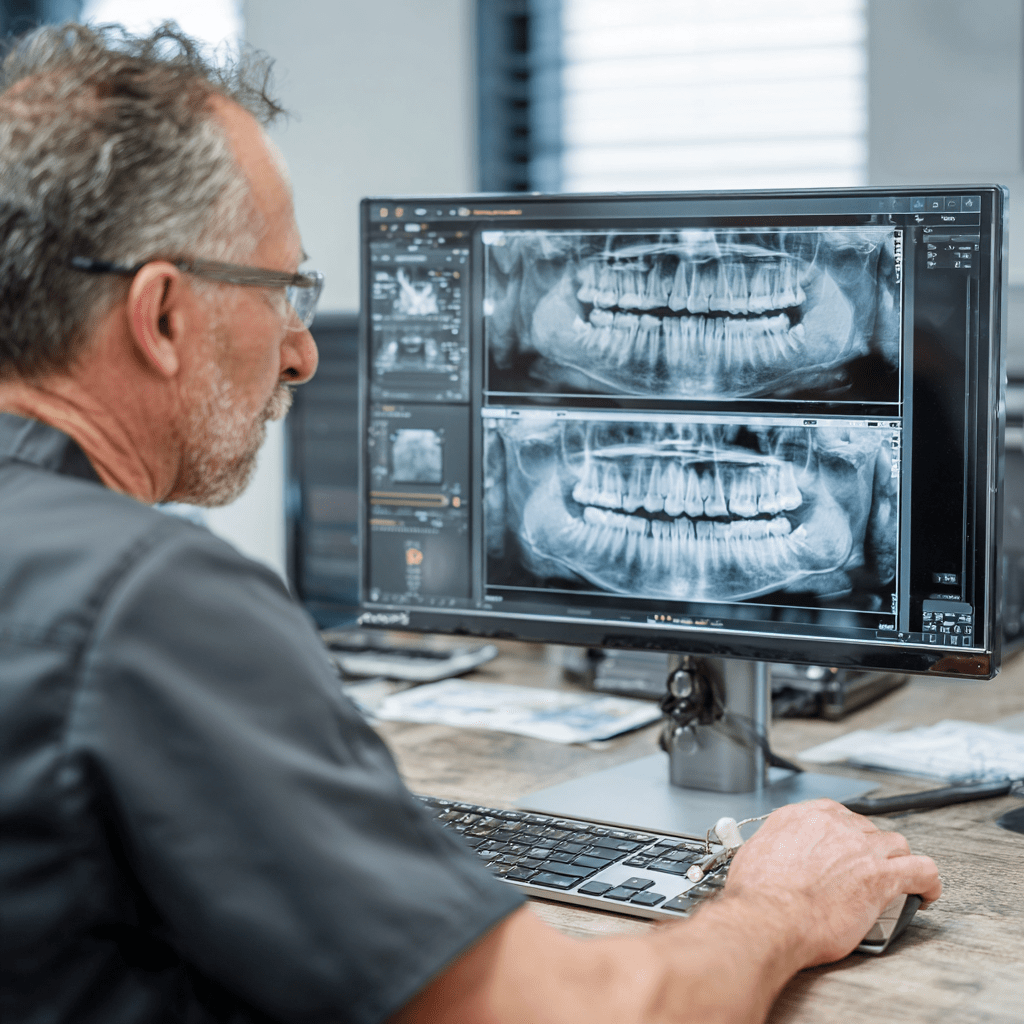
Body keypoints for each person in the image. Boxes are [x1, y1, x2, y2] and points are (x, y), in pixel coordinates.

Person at [0, 22, 941, 1024]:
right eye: (284, 293)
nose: (303, 355)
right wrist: (777, 907)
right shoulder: (150, 601)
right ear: (162, 315)